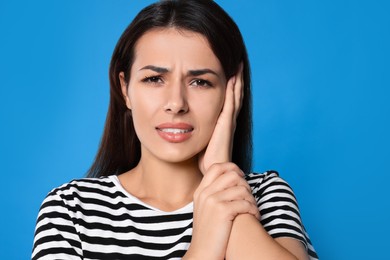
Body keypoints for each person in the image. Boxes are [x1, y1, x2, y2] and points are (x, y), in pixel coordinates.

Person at [32, 0, 318, 259]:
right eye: (155, 79)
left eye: (200, 82)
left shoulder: (266, 194)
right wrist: (205, 246)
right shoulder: (71, 210)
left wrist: (220, 175)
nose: (176, 103)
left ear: (231, 94)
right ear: (125, 88)